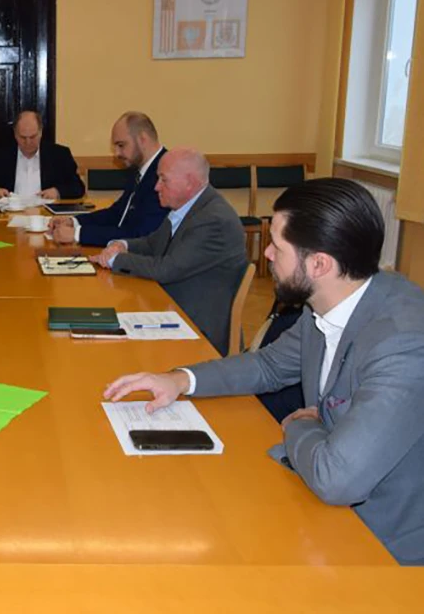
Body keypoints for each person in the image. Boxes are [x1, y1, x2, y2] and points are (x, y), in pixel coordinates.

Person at [104, 178, 424, 566]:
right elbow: (269, 364)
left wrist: (302, 426)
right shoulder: (333, 299)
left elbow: (338, 480)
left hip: (383, 547)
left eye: (277, 246)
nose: (266, 254)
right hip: (322, 504)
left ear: (319, 264)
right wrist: (179, 379)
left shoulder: (403, 344)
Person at [90, 148, 247, 356]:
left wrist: (115, 259)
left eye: (164, 180)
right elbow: (152, 244)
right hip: (172, 308)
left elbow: (166, 269)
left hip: (198, 330)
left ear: (189, 182)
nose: (156, 187)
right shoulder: (188, 207)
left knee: (112, 346)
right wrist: (122, 245)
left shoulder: (213, 220)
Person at [48, 111, 169, 246]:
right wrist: (74, 222)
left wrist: (78, 234)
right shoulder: (140, 169)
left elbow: (141, 235)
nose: (116, 153)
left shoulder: (165, 174)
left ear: (143, 139)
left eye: (121, 145)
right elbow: (117, 213)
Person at [0, 111, 85, 200]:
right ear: (15, 134)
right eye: (23, 137)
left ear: (40, 132)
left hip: (45, 212)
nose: (28, 142)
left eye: (32, 137)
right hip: (9, 212)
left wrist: (57, 192)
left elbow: (78, 187)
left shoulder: (59, 155)